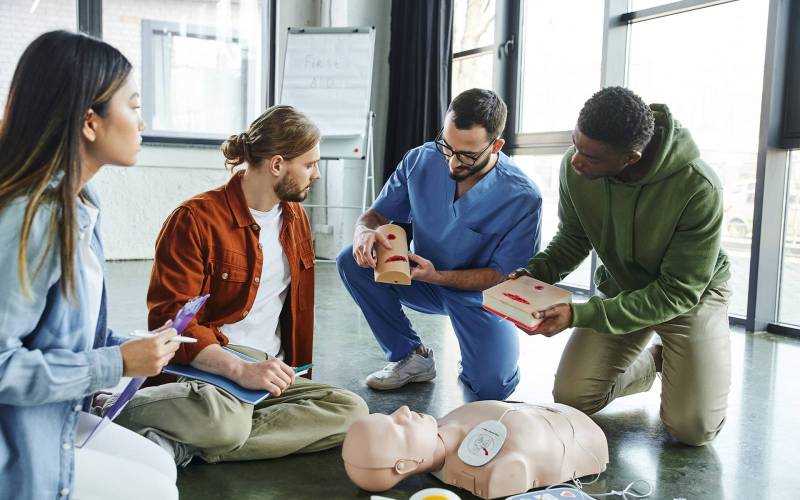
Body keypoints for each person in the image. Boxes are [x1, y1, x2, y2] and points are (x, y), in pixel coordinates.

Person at [103, 105, 369, 465]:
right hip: (208, 369)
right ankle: (115, 408)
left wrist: (266, 372)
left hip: (268, 371)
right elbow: (170, 321)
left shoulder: (296, 220)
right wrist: (239, 369)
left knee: (352, 411)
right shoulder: (194, 220)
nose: (317, 174)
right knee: (223, 423)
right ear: (277, 164)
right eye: (309, 164)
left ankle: (188, 440)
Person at [0, 31, 180, 499]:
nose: (142, 122)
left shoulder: (82, 201)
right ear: (89, 121)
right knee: (156, 491)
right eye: (134, 106)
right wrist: (114, 362)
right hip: (14, 442)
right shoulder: (32, 217)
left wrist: (135, 347)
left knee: (160, 465)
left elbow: (65, 336)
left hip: (47, 413)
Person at [510, 86, 732, 446]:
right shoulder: (577, 169)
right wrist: (536, 273)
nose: (576, 161)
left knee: (693, 429)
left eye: (591, 157)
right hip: (625, 287)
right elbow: (573, 237)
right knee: (574, 398)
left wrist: (578, 315)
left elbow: (677, 291)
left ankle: (681, 362)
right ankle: (658, 362)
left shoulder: (699, 188)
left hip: (691, 297)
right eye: (575, 144)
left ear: (631, 157)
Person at [337, 88, 542, 401]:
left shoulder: (523, 196)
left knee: (491, 389)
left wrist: (437, 276)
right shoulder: (422, 160)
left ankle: (481, 359)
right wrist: (363, 231)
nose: (452, 160)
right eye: (447, 146)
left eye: (467, 154)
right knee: (352, 261)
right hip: (421, 279)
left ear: (496, 145)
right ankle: (412, 355)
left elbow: (503, 277)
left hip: (481, 297)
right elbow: (375, 215)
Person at [341, 401, 608, 499]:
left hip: (571, 421)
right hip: (576, 434)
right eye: (397, 426)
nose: (403, 410)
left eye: (390, 414)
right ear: (405, 465)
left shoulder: (454, 417)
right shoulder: (493, 469)